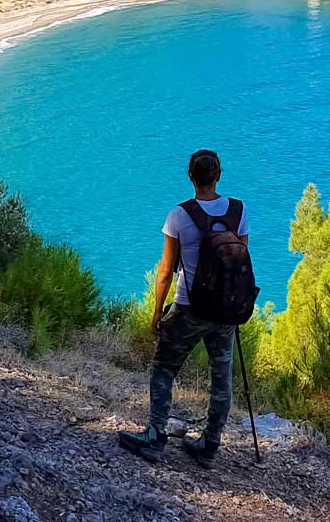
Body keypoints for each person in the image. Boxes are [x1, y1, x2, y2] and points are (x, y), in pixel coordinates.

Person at [118, 149, 250, 467]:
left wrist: (157, 312)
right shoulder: (239, 210)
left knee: (164, 369)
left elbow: (166, 271)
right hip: (225, 310)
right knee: (221, 377)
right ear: (218, 175)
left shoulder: (179, 216)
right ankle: (210, 445)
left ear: (190, 176)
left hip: (189, 308)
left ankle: (155, 436)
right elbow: (240, 259)